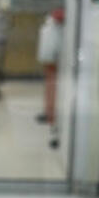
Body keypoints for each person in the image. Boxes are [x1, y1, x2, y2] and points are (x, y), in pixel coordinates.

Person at [35, 8, 64, 148]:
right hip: (53, 43)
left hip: (57, 48)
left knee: (54, 84)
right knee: (51, 81)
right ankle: (50, 115)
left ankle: (53, 118)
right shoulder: (53, 22)